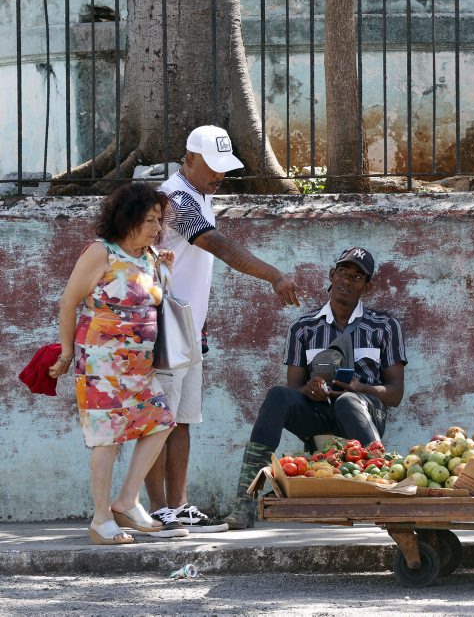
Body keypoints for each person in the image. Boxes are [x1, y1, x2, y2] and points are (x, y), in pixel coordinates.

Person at [144, 125, 301, 534]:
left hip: (188, 327)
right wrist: (273, 275)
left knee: (181, 419)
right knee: (158, 420)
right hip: (164, 327)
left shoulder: (199, 193)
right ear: (189, 159)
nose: (220, 175)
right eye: (212, 167)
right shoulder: (175, 199)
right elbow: (220, 246)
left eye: (224, 167)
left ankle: (178, 505)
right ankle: (158, 508)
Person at [222, 247, 407, 529]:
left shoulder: (384, 326)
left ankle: (382, 494)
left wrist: (359, 388)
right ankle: (244, 503)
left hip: (364, 413)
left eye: (357, 276)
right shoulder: (303, 328)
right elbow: (293, 389)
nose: (347, 280)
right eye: (343, 272)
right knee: (277, 396)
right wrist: (309, 389)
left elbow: (395, 394)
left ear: (366, 287)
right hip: (319, 413)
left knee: (347, 401)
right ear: (332, 275)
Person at [49, 183, 188, 544]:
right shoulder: (102, 253)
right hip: (102, 362)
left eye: (159, 220)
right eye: (150, 220)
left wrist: (165, 269)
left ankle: (126, 501)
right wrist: (66, 353)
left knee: (160, 422)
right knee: (107, 437)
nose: (158, 228)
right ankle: (100, 519)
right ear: (128, 219)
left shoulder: (149, 256)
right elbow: (68, 302)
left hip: (139, 365)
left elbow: (154, 299)